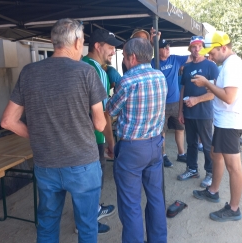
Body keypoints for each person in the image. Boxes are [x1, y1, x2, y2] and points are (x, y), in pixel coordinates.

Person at [0, 18, 107, 242]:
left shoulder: (29, 72)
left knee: (47, 224)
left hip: (46, 163)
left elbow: (8, 121)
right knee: (87, 226)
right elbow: (99, 124)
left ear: (53, 41)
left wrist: (39, 133)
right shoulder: (86, 72)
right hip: (83, 164)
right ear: (77, 42)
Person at [106, 37, 167, 243]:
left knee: (130, 204)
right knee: (156, 197)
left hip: (132, 148)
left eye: (123, 56)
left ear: (132, 57)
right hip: (155, 144)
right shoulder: (160, 76)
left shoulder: (128, 80)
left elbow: (111, 110)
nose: (123, 60)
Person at [192, 31, 242, 222]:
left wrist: (207, 82)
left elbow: (229, 97)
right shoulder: (228, 64)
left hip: (230, 122)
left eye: (212, 52)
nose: (210, 55)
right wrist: (212, 86)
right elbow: (224, 90)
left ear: (223, 47)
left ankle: (234, 209)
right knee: (216, 154)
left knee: (234, 167)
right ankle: (213, 190)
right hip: (224, 121)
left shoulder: (232, 65)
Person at [81, 28, 123, 233]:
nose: (113, 52)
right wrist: (110, 142)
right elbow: (104, 113)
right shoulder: (97, 71)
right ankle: (88, 220)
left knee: (85, 181)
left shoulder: (80, 64)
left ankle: (93, 210)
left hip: (79, 135)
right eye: (110, 48)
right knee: (93, 179)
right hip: (94, 135)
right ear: (97, 46)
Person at [177, 36, 219, 189]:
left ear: (204, 47)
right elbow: (183, 89)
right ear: (190, 49)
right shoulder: (186, 67)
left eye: (199, 46)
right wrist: (180, 111)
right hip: (188, 113)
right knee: (191, 143)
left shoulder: (211, 66)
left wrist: (197, 99)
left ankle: (210, 173)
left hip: (204, 112)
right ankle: (192, 169)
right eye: (193, 47)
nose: (196, 49)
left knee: (207, 145)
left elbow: (215, 92)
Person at [151, 38, 192, 167]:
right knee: (161, 131)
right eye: (165, 47)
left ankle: (181, 154)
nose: (168, 49)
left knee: (180, 128)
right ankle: (163, 155)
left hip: (175, 103)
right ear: (157, 50)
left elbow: (193, 57)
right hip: (160, 104)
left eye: (168, 46)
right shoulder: (152, 63)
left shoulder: (175, 59)